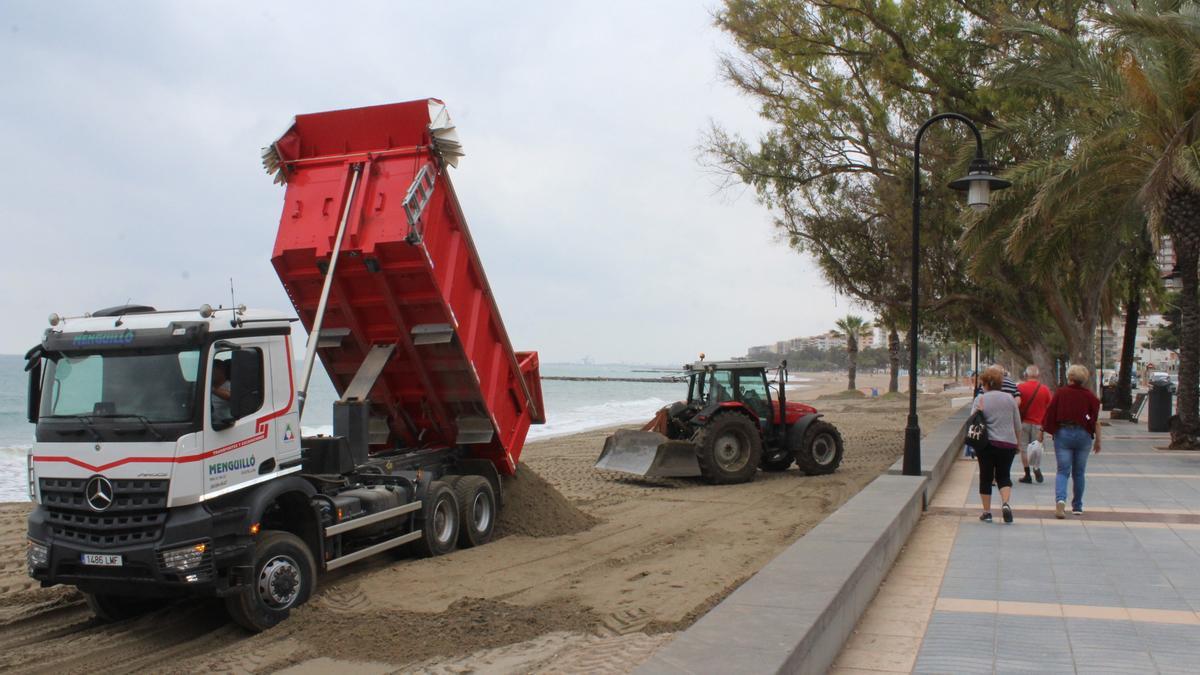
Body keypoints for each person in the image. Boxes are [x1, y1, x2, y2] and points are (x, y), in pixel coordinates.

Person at [1041, 364, 1101, 518]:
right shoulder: (1089, 396)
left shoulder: (1061, 394)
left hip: (1063, 433)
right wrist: (1097, 439)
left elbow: (1050, 412)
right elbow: (1092, 418)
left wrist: (1044, 430)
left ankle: (1061, 500)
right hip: (1083, 435)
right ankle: (1077, 506)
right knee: (1079, 472)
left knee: (1062, 471)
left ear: (1070, 377)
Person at [973, 365, 1023, 523]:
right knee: (1004, 476)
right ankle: (1006, 503)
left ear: (985, 383)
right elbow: (1018, 424)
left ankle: (987, 512)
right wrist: (1018, 443)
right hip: (1008, 443)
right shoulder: (1009, 399)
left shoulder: (980, 399)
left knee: (986, 477)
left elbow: (973, 421)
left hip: (986, 445)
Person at [1016, 365, 1053, 484]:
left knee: (1024, 449)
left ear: (1026, 375)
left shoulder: (1020, 388)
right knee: (1037, 449)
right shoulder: (1045, 389)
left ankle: (1027, 474)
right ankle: (1036, 467)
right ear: (1038, 375)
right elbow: (1050, 407)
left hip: (1024, 423)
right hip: (1039, 424)